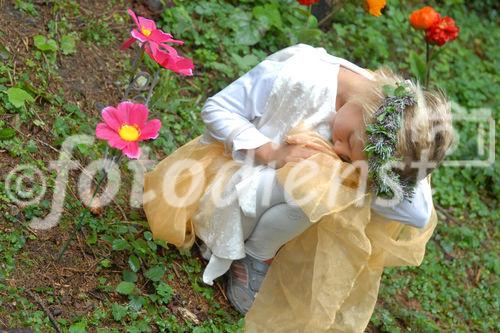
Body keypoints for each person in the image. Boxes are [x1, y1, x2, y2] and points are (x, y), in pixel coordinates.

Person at [143, 44, 453, 323]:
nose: (339, 150)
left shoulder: (395, 129)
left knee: (332, 184)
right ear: (367, 102)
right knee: (318, 181)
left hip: (281, 200)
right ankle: (244, 250)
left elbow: (417, 214)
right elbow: (216, 108)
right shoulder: (300, 76)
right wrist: (271, 152)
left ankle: (263, 251)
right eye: (347, 139)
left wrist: (359, 180)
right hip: (237, 177)